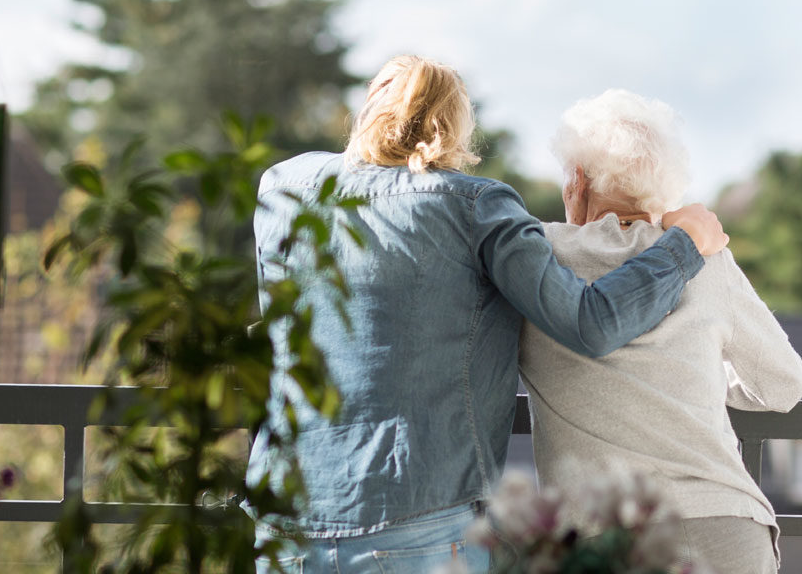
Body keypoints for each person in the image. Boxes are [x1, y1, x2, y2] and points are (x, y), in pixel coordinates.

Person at [248, 56, 730, 574]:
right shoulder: (477, 207)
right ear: (454, 127)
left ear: (370, 108)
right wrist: (686, 246)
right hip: (421, 517)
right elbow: (591, 323)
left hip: (286, 516)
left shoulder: (284, 188)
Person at [518, 89, 802, 574]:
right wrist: (698, 377)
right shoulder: (707, 258)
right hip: (725, 527)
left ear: (577, 181)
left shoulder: (537, 257)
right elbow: (782, 385)